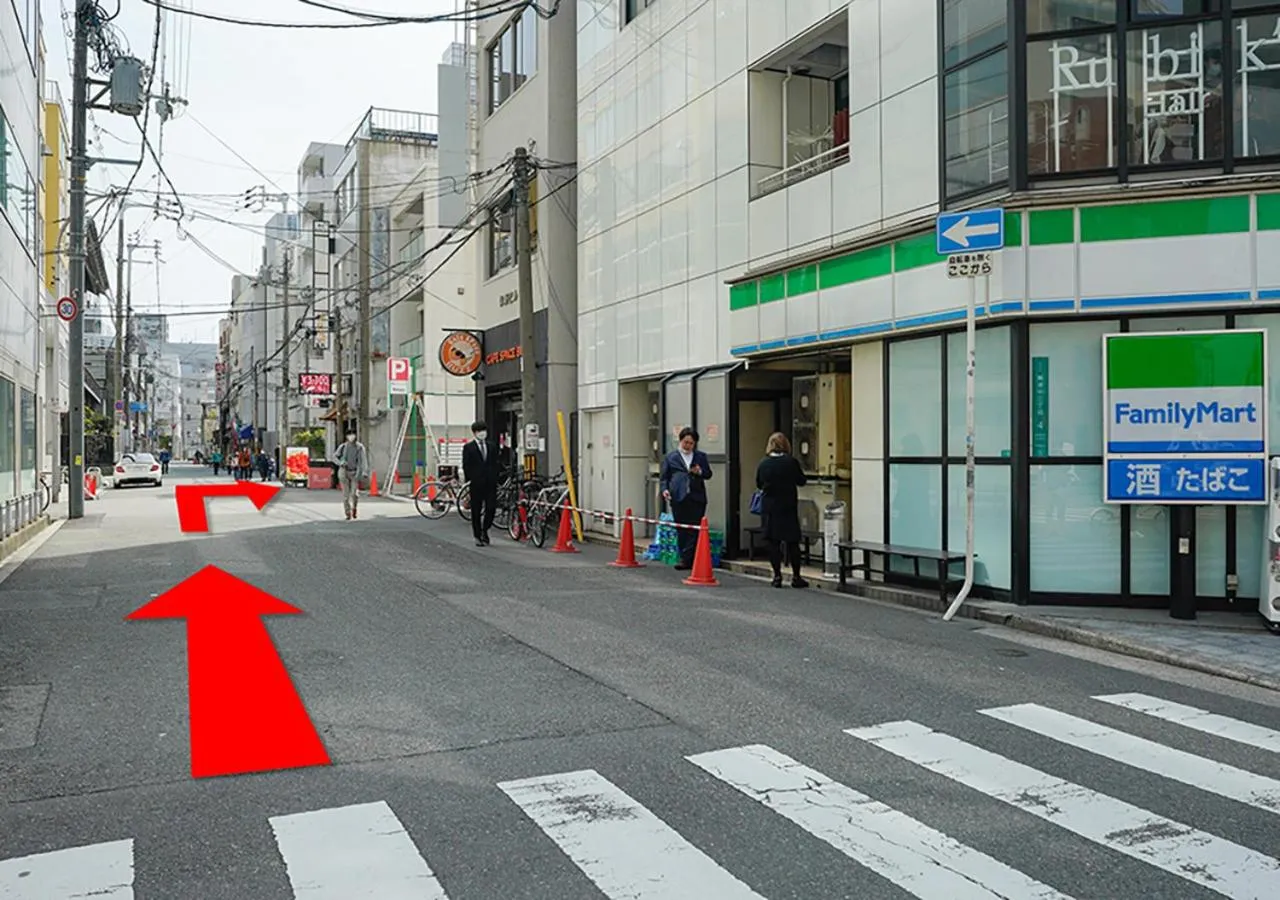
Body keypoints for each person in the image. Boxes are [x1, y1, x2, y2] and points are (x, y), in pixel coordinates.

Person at [755, 432, 809, 589]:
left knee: (773, 542)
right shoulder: (791, 462)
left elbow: (759, 483)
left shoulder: (764, 463)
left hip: (770, 506)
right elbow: (801, 480)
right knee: (792, 542)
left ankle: (777, 575)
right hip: (788, 505)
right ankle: (796, 576)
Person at [660, 427, 713, 571]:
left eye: (691, 443)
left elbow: (708, 474)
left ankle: (688, 558)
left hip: (697, 497)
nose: (687, 446)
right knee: (681, 528)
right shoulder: (671, 457)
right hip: (678, 497)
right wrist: (665, 490)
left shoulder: (700, 457)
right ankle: (685, 556)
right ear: (680, 441)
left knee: (695, 528)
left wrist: (699, 471)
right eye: (685, 442)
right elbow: (664, 477)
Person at [462, 420, 500, 546]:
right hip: (476, 483)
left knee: (491, 508)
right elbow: (466, 465)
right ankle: (477, 535)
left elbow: (496, 463)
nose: (482, 433)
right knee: (476, 510)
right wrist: (470, 480)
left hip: (490, 482)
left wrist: (496, 476)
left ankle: (485, 529)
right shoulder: (469, 447)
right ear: (474, 433)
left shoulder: (492, 446)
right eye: (479, 431)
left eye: (484, 430)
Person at [334, 431, 368, 520]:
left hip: (355, 472)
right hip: (344, 472)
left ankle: (354, 508)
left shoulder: (359, 447)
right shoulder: (343, 447)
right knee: (346, 495)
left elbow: (363, 460)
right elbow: (335, 457)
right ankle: (347, 513)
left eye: (353, 435)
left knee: (354, 494)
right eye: (349, 435)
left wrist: (364, 471)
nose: (351, 437)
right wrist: (340, 463)